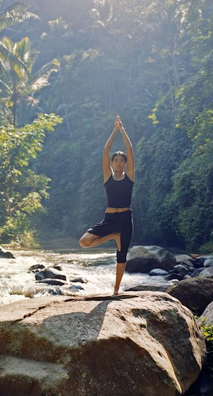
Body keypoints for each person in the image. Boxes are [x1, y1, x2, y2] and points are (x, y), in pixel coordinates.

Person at [79, 115, 135, 295]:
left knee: (121, 256)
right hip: (110, 219)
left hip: (125, 219)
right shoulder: (107, 177)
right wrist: (114, 130)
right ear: (111, 163)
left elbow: (130, 149)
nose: (118, 162)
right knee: (84, 242)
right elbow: (105, 151)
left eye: (121, 160)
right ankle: (113, 236)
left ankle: (116, 290)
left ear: (125, 164)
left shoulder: (130, 176)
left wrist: (123, 130)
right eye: (115, 160)